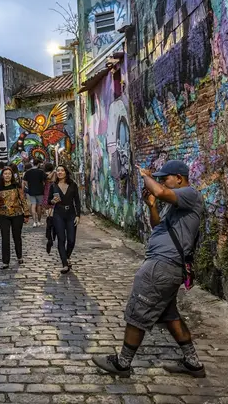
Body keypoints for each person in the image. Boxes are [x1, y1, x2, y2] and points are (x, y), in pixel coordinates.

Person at [93, 160, 205, 379]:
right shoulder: (174, 204)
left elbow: (160, 190)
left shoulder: (189, 194)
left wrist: (145, 175)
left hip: (162, 265)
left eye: (166, 178)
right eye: (161, 178)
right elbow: (157, 226)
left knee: (138, 310)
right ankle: (193, 363)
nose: (162, 182)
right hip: (164, 264)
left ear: (179, 178)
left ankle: (123, 363)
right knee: (170, 315)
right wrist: (152, 206)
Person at [0, 167, 30, 269]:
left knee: (17, 236)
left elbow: (23, 200)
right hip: (3, 215)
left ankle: (19, 256)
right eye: (5, 174)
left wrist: (26, 214)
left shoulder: (17, 186)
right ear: (2, 176)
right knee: (5, 238)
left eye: (9, 174)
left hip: (17, 215)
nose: (7, 175)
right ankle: (5, 261)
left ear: (12, 175)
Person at [48, 165, 81, 274]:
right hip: (58, 214)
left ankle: (66, 256)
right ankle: (65, 264)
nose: (60, 172)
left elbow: (77, 200)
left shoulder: (73, 185)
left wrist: (78, 215)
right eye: (58, 171)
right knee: (61, 239)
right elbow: (48, 201)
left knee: (71, 240)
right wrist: (53, 201)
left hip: (71, 213)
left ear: (66, 172)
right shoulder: (53, 186)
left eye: (62, 170)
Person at [23, 159, 46, 227]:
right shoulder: (41, 172)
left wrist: (29, 186)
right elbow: (44, 181)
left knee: (33, 205)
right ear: (38, 164)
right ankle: (39, 221)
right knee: (39, 205)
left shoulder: (28, 172)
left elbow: (25, 182)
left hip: (31, 191)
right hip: (40, 190)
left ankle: (34, 222)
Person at [41, 162, 57, 253]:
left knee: (49, 212)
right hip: (51, 192)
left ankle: (50, 233)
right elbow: (50, 179)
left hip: (48, 193)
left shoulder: (46, 174)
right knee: (52, 212)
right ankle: (51, 231)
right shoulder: (53, 174)